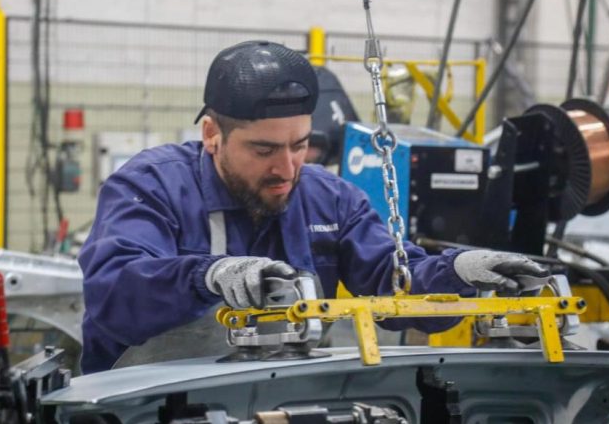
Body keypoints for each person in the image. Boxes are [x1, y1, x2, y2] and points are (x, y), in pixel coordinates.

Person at [78, 40, 549, 374]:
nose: (287, 168)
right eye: (264, 150)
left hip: (276, 399)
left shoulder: (329, 198)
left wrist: (458, 272)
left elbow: (394, 283)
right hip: (141, 403)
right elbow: (115, 295)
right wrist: (208, 276)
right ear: (212, 135)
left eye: (300, 145)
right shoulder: (152, 185)